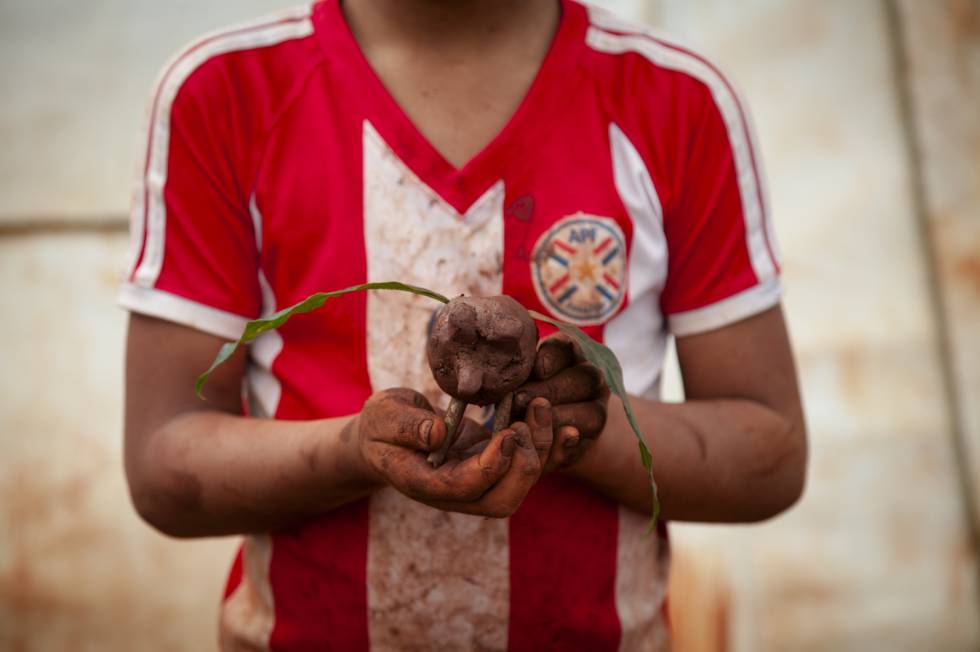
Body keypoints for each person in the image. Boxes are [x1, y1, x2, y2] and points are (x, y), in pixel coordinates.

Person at [120, 0, 807, 649]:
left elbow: (768, 455)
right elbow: (163, 464)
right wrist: (354, 450)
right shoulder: (228, 93)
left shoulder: (674, 101)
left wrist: (579, 426)